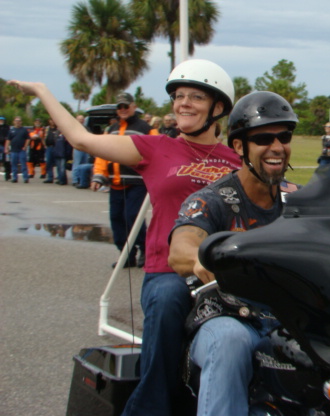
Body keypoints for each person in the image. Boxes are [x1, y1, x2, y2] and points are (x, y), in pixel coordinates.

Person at [8, 58, 241, 416]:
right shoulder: (154, 147)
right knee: (166, 304)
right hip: (169, 270)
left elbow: (276, 194)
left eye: (195, 97)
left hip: (221, 273)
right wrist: (41, 91)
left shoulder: (235, 161)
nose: (183, 104)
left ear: (218, 107)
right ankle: (149, 409)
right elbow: (80, 138)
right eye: (178, 96)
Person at [168, 91, 299, 416]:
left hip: (291, 319)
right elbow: (181, 247)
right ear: (239, 147)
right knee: (230, 342)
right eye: (264, 139)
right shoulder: (213, 200)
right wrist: (201, 259)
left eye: (283, 136)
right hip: (229, 317)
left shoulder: (300, 202)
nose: (277, 147)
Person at [91, 93, 151, 268]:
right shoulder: (111, 129)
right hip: (116, 183)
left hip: (137, 182)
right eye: (120, 107)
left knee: (133, 216)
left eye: (126, 106)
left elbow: (156, 153)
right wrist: (98, 176)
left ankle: (145, 249)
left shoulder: (145, 128)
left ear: (133, 106)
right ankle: (126, 254)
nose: (123, 110)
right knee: (116, 219)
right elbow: (102, 154)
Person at [5, 116, 30, 183]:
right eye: (16, 121)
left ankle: (25, 178)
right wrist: (6, 148)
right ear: (14, 122)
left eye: (19, 121)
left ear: (21, 122)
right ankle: (14, 178)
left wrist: (25, 146)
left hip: (22, 150)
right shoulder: (11, 130)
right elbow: (8, 140)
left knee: (23, 164)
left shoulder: (24, 130)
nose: (18, 122)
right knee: (14, 164)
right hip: (13, 150)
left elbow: (28, 139)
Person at [71, 114, 90, 187]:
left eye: (82, 119)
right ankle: (75, 180)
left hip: (85, 148)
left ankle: (82, 180)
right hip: (77, 149)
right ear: (76, 120)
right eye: (80, 119)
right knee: (77, 164)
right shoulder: (73, 129)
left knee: (84, 165)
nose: (81, 120)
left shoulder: (86, 128)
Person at [0, 116, 11, 181]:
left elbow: (9, 136)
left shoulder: (7, 127)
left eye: (2, 120)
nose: (1, 121)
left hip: (5, 145)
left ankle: (7, 175)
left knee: (6, 161)